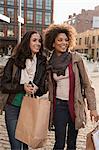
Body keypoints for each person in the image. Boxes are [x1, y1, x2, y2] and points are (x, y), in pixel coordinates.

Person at [44, 23, 99, 150]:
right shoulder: (49, 63)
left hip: (75, 105)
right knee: (59, 143)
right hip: (58, 106)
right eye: (60, 40)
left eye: (66, 40)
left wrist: (93, 108)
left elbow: (87, 84)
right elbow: (45, 85)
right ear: (53, 43)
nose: (64, 43)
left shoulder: (76, 58)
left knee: (72, 143)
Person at [1, 30, 47, 150]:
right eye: (34, 40)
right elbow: (4, 85)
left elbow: (44, 88)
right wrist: (22, 87)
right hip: (13, 107)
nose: (38, 43)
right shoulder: (14, 61)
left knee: (25, 145)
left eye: (40, 41)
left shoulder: (42, 63)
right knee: (16, 146)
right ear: (27, 42)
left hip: (30, 107)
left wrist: (36, 89)